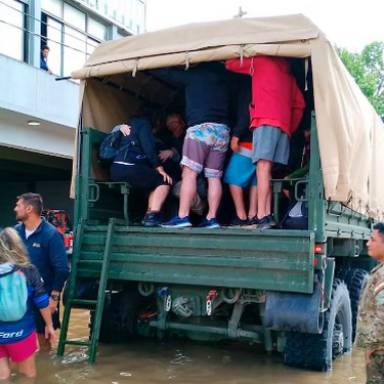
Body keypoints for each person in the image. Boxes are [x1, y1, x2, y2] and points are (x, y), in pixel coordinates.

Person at [226, 55, 305, 229]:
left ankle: (262, 215)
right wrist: (288, 127)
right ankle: (266, 214)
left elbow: (230, 64)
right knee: (267, 171)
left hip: (265, 120)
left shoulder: (260, 62)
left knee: (262, 168)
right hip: (283, 127)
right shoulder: (289, 76)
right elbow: (299, 104)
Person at [151, 62, 230, 228]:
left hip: (200, 130)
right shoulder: (224, 80)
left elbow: (167, 74)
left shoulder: (195, 75)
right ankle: (211, 218)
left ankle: (182, 216)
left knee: (189, 173)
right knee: (214, 177)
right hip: (222, 131)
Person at [14, 193, 69, 350]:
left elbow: (62, 269)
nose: (15, 208)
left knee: (43, 343)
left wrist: (54, 298)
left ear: (29, 209)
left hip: (42, 299)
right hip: (18, 298)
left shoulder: (51, 235)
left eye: (18, 205)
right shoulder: (16, 232)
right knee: (16, 344)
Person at [0, 227, 56, 380]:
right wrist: (49, 326)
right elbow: (41, 300)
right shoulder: (28, 270)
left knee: (2, 376)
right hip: (21, 333)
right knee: (28, 374)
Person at [110, 114, 173, 227]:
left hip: (115, 169)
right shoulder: (144, 124)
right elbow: (149, 148)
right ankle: (152, 216)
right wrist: (160, 168)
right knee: (164, 180)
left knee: (153, 182)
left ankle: (149, 215)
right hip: (128, 167)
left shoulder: (127, 125)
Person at [224, 74, 257, 226]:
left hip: (247, 141)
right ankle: (253, 214)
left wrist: (236, 135)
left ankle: (241, 215)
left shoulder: (246, 86)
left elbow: (245, 114)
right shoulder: (261, 87)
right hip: (262, 141)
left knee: (232, 177)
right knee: (256, 181)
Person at [356, 223, 384, 384]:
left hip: (379, 354)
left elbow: (383, 315)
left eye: (372, 239)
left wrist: (372, 348)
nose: (367, 243)